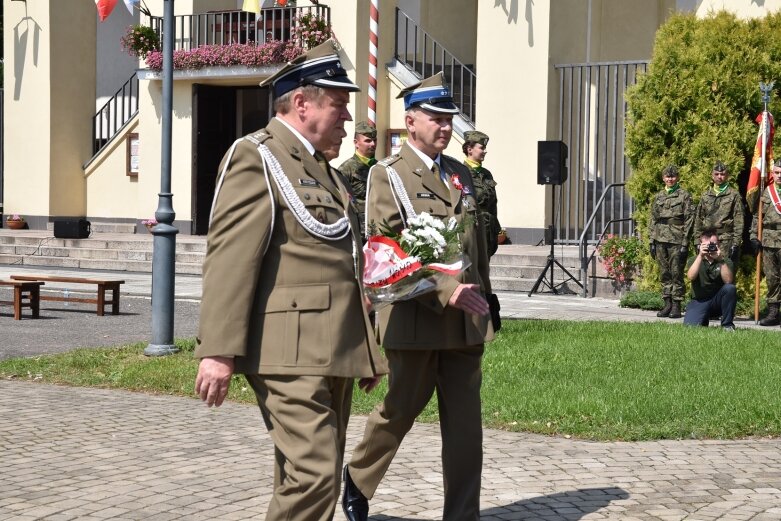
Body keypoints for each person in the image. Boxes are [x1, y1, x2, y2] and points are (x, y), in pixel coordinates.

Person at [193, 40, 387, 521]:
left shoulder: (322, 170)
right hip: (286, 349)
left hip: (332, 347)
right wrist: (218, 350)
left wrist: (362, 350)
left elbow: (340, 261)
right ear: (302, 103)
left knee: (302, 474)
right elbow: (230, 259)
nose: (347, 118)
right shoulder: (256, 157)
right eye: (338, 104)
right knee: (315, 474)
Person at [341, 72, 495, 521]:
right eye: (435, 118)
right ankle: (358, 477)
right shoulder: (388, 176)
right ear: (410, 122)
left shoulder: (460, 173)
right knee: (400, 410)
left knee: (466, 428)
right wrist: (449, 290)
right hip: (416, 317)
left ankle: (463, 514)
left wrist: (486, 296)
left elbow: (474, 243)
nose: (445, 126)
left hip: (465, 320)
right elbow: (389, 246)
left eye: (449, 118)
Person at [648, 165, 693, 318]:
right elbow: (653, 219)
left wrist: (685, 242)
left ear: (677, 177)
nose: (670, 179)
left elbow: (689, 220)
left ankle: (676, 305)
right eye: (667, 177)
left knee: (676, 273)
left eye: (673, 176)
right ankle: (667, 303)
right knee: (664, 272)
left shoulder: (684, 195)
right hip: (660, 238)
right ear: (663, 178)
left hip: (676, 239)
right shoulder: (659, 196)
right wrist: (651, 241)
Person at [692, 161, 745, 265]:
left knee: (725, 271)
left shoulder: (734, 195)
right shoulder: (706, 195)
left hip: (725, 240)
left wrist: (736, 243)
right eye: (716, 174)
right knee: (708, 270)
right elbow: (698, 219)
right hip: (707, 239)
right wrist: (697, 241)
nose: (719, 177)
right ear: (712, 175)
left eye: (722, 174)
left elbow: (739, 221)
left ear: (727, 175)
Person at [683, 229, 737, 330]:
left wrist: (720, 260)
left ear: (719, 245)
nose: (710, 247)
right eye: (707, 245)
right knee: (690, 327)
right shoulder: (694, 260)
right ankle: (703, 320)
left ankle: (727, 325)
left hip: (718, 303)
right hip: (699, 301)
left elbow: (728, 281)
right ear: (700, 245)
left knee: (730, 288)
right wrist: (700, 256)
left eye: (714, 244)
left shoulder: (726, 261)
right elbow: (690, 277)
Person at [749, 159, 781, 326]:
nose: (779, 176)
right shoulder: (766, 193)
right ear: (772, 173)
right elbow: (757, 217)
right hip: (769, 240)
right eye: (776, 172)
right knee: (772, 277)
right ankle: (773, 312)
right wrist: (754, 236)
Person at [463, 130, 502, 257]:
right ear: (469, 149)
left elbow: (493, 204)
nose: (485, 151)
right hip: (472, 231)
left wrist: (496, 229)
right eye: (482, 148)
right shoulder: (461, 172)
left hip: (488, 232)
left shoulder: (486, 173)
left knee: (485, 271)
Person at [338, 121, 378, 240]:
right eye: (368, 141)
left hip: (377, 228)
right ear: (356, 143)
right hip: (357, 232)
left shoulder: (379, 167)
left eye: (375, 140)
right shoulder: (346, 168)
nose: (373, 144)